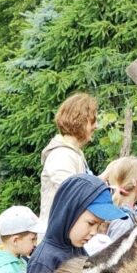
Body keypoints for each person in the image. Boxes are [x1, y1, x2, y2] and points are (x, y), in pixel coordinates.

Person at [27, 173, 127, 273]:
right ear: (69, 213)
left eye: (99, 225)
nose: (94, 232)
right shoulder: (43, 262)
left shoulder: (77, 249)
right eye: (91, 223)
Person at [39, 93, 98, 232]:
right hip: (57, 237)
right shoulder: (61, 155)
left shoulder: (74, 153)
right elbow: (74, 193)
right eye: (92, 121)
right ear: (79, 121)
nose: (96, 126)